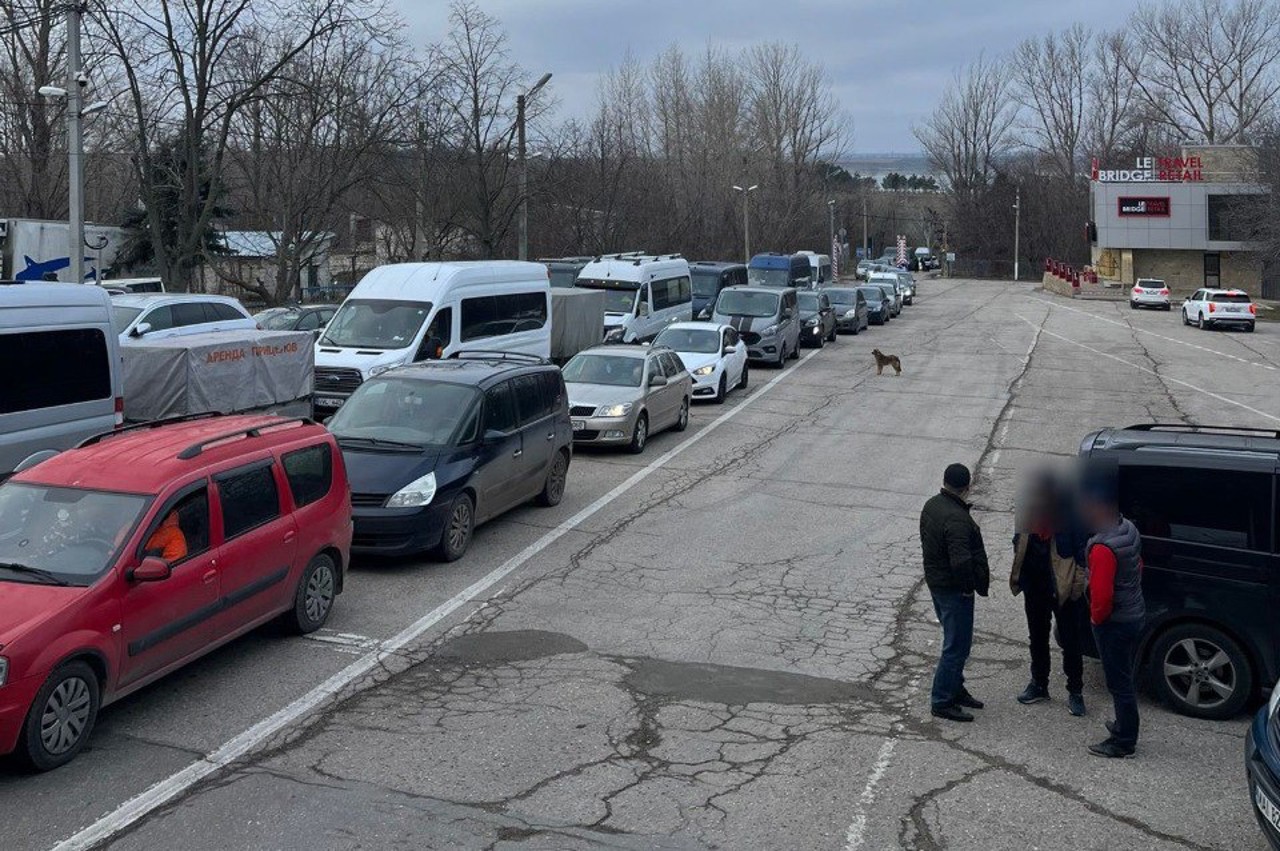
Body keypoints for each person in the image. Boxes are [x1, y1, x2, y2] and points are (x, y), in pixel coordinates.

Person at [1009, 471, 1089, 716]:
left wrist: (1076, 589)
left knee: (1071, 642)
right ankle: (1039, 684)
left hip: (1063, 589)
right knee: (1037, 638)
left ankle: (1075, 691)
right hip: (1034, 585)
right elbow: (1018, 540)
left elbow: (1081, 554)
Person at [1079, 469, 1145, 758]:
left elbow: (1102, 596)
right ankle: (1123, 726)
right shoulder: (1128, 528)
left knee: (1119, 684)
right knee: (1125, 677)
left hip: (1115, 622)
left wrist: (1096, 620)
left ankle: (1123, 741)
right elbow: (1138, 565)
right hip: (1133, 611)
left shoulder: (1103, 547)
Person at [920, 463, 990, 722]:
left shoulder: (932, 505)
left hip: (937, 583)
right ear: (967, 487)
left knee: (956, 641)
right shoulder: (957, 518)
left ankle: (955, 687)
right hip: (953, 589)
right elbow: (960, 561)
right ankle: (942, 699)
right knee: (957, 646)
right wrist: (967, 588)